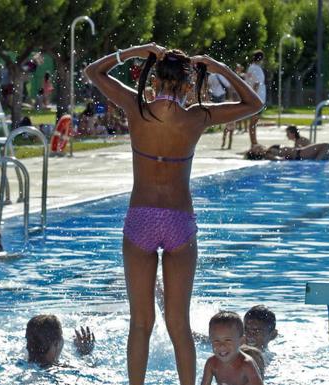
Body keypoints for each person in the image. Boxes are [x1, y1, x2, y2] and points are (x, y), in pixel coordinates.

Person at [85, 43, 263, 385]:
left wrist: (135, 52)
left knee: (140, 323)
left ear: (154, 80)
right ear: (186, 85)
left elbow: (93, 71)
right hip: (179, 221)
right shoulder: (197, 116)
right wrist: (218, 67)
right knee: (178, 324)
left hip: (140, 219)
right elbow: (254, 104)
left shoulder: (136, 107)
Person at [200, 311, 263, 385]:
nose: (222, 345)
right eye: (216, 341)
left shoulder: (246, 365)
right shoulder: (212, 363)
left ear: (241, 341)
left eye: (228, 340)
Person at [25, 314, 95, 367]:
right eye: (61, 335)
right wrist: (85, 353)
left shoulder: (21, 364)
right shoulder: (60, 370)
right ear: (56, 343)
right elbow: (90, 369)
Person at [246, 50, 266, 147]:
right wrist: (254, 97)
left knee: (253, 121)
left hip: (255, 97)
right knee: (254, 121)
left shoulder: (251, 67)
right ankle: (254, 143)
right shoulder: (256, 68)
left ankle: (254, 142)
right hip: (257, 98)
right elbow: (257, 83)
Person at [245, 142, 329, 161]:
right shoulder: (268, 154)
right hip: (300, 153)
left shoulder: (269, 150)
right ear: (257, 153)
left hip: (300, 153)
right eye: (254, 148)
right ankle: (317, 161)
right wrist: (283, 158)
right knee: (326, 145)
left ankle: (317, 160)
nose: (255, 146)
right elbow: (278, 159)